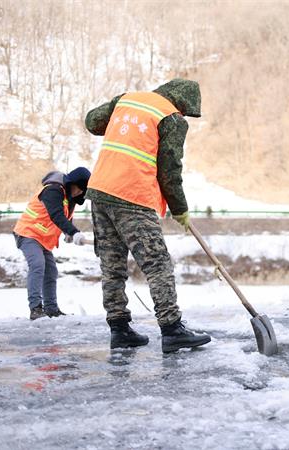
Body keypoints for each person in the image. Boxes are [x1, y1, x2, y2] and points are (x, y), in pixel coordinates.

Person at [84, 78, 211, 353]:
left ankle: (119, 330)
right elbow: (169, 171)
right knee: (157, 263)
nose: (183, 115)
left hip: (100, 191)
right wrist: (180, 209)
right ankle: (172, 329)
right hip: (132, 195)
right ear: (182, 103)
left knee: (112, 266)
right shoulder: (171, 117)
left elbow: (92, 122)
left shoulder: (127, 99)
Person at [13, 167, 92, 320]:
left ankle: (51, 309)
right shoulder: (53, 190)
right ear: (72, 183)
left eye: (82, 191)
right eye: (79, 189)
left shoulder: (68, 198)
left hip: (42, 239)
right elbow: (56, 215)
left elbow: (66, 217)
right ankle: (35, 308)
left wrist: (68, 233)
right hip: (27, 233)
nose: (79, 193)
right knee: (37, 264)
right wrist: (74, 232)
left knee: (51, 271)